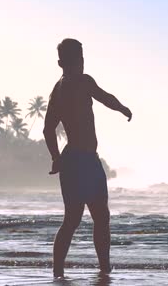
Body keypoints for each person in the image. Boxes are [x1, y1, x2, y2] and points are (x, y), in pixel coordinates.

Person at [43, 38, 132, 278]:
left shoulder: (66, 87)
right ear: (61, 63)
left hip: (87, 160)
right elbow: (48, 128)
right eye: (73, 62)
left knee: (100, 216)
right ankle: (59, 272)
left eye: (80, 61)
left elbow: (104, 97)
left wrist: (122, 108)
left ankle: (103, 268)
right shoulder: (71, 86)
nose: (78, 65)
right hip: (76, 161)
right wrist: (55, 157)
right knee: (73, 219)